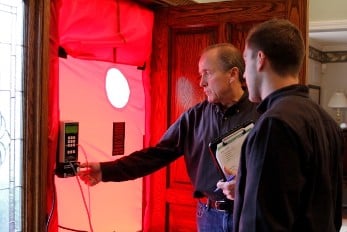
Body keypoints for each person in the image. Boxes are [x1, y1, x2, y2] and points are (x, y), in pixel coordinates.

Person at [78, 43, 259, 231]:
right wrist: (105, 170)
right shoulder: (194, 118)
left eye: (208, 73)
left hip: (252, 215)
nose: (201, 82)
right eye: (200, 75)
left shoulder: (262, 114)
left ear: (233, 74)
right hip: (208, 218)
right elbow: (155, 156)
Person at [232, 18, 344, 232]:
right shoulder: (327, 121)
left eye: (246, 63)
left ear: (260, 59)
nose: (244, 75)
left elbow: (261, 223)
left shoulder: (274, 124)